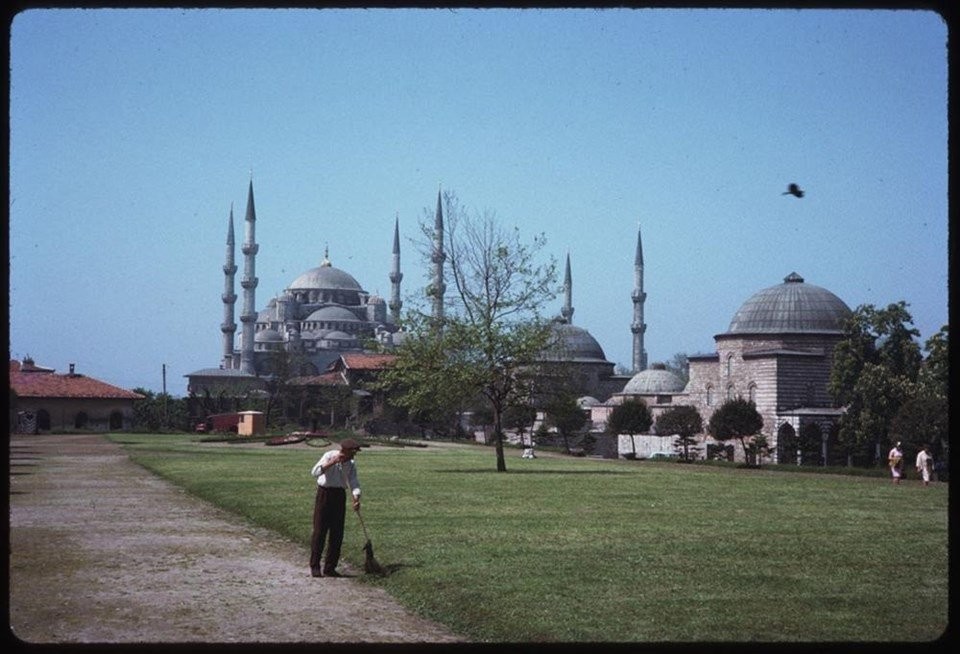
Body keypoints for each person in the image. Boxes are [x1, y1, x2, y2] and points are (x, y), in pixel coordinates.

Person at [309, 438, 362, 577]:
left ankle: (330, 567)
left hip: (339, 496)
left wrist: (356, 497)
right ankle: (315, 566)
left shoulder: (351, 464)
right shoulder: (329, 456)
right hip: (324, 494)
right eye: (353, 452)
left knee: (337, 533)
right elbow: (315, 472)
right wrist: (332, 462)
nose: (354, 455)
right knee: (319, 531)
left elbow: (354, 481)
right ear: (344, 450)